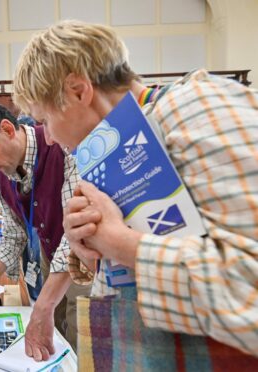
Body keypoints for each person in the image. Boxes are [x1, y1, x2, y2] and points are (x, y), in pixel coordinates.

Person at [13, 20, 258, 367]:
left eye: (44, 120)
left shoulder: (194, 108)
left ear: (78, 91)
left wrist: (118, 242)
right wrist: (87, 247)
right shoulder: (107, 152)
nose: (48, 137)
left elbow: (250, 289)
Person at [0, 101, 91, 359]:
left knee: (79, 337)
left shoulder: (61, 146)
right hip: (50, 255)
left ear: (7, 129)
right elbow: (13, 235)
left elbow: (77, 232)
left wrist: (43, 305)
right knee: (55, 332)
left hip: (81, 258)